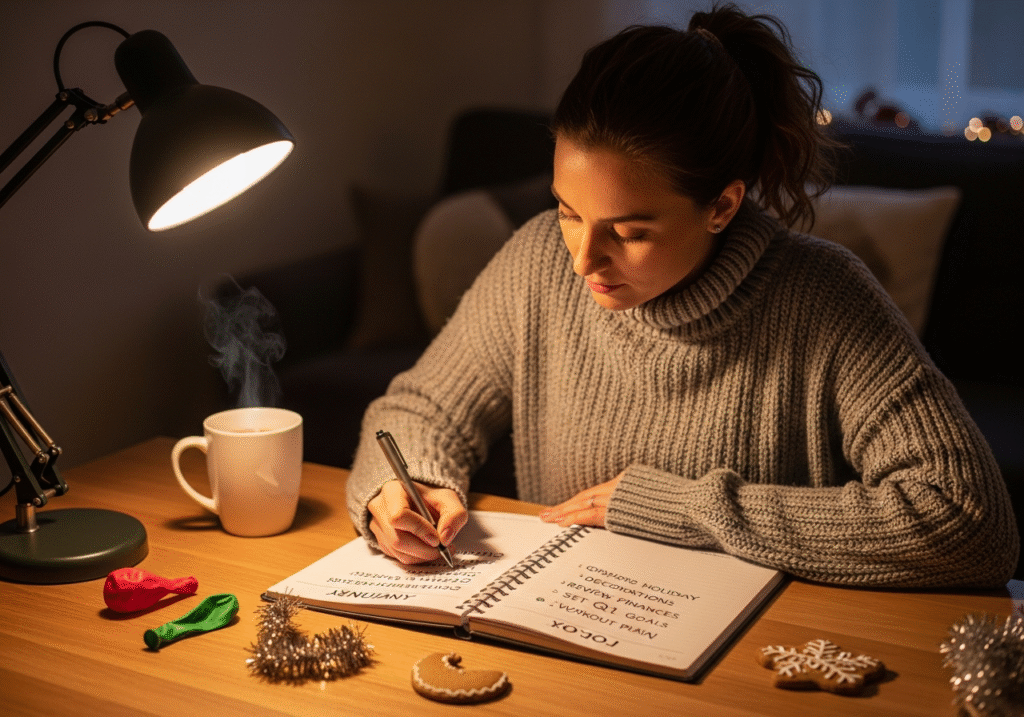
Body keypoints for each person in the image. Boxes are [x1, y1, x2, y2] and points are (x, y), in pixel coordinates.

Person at [345, 4, 1018, 588]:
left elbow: (968, 519)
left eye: (630, 231)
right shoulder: (537, 262)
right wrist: (406, 485)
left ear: (722, 205)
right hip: (562, 636)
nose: (582, 258)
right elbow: (421, 408)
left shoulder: (824, 298)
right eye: (568, 210)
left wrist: (687, 508)